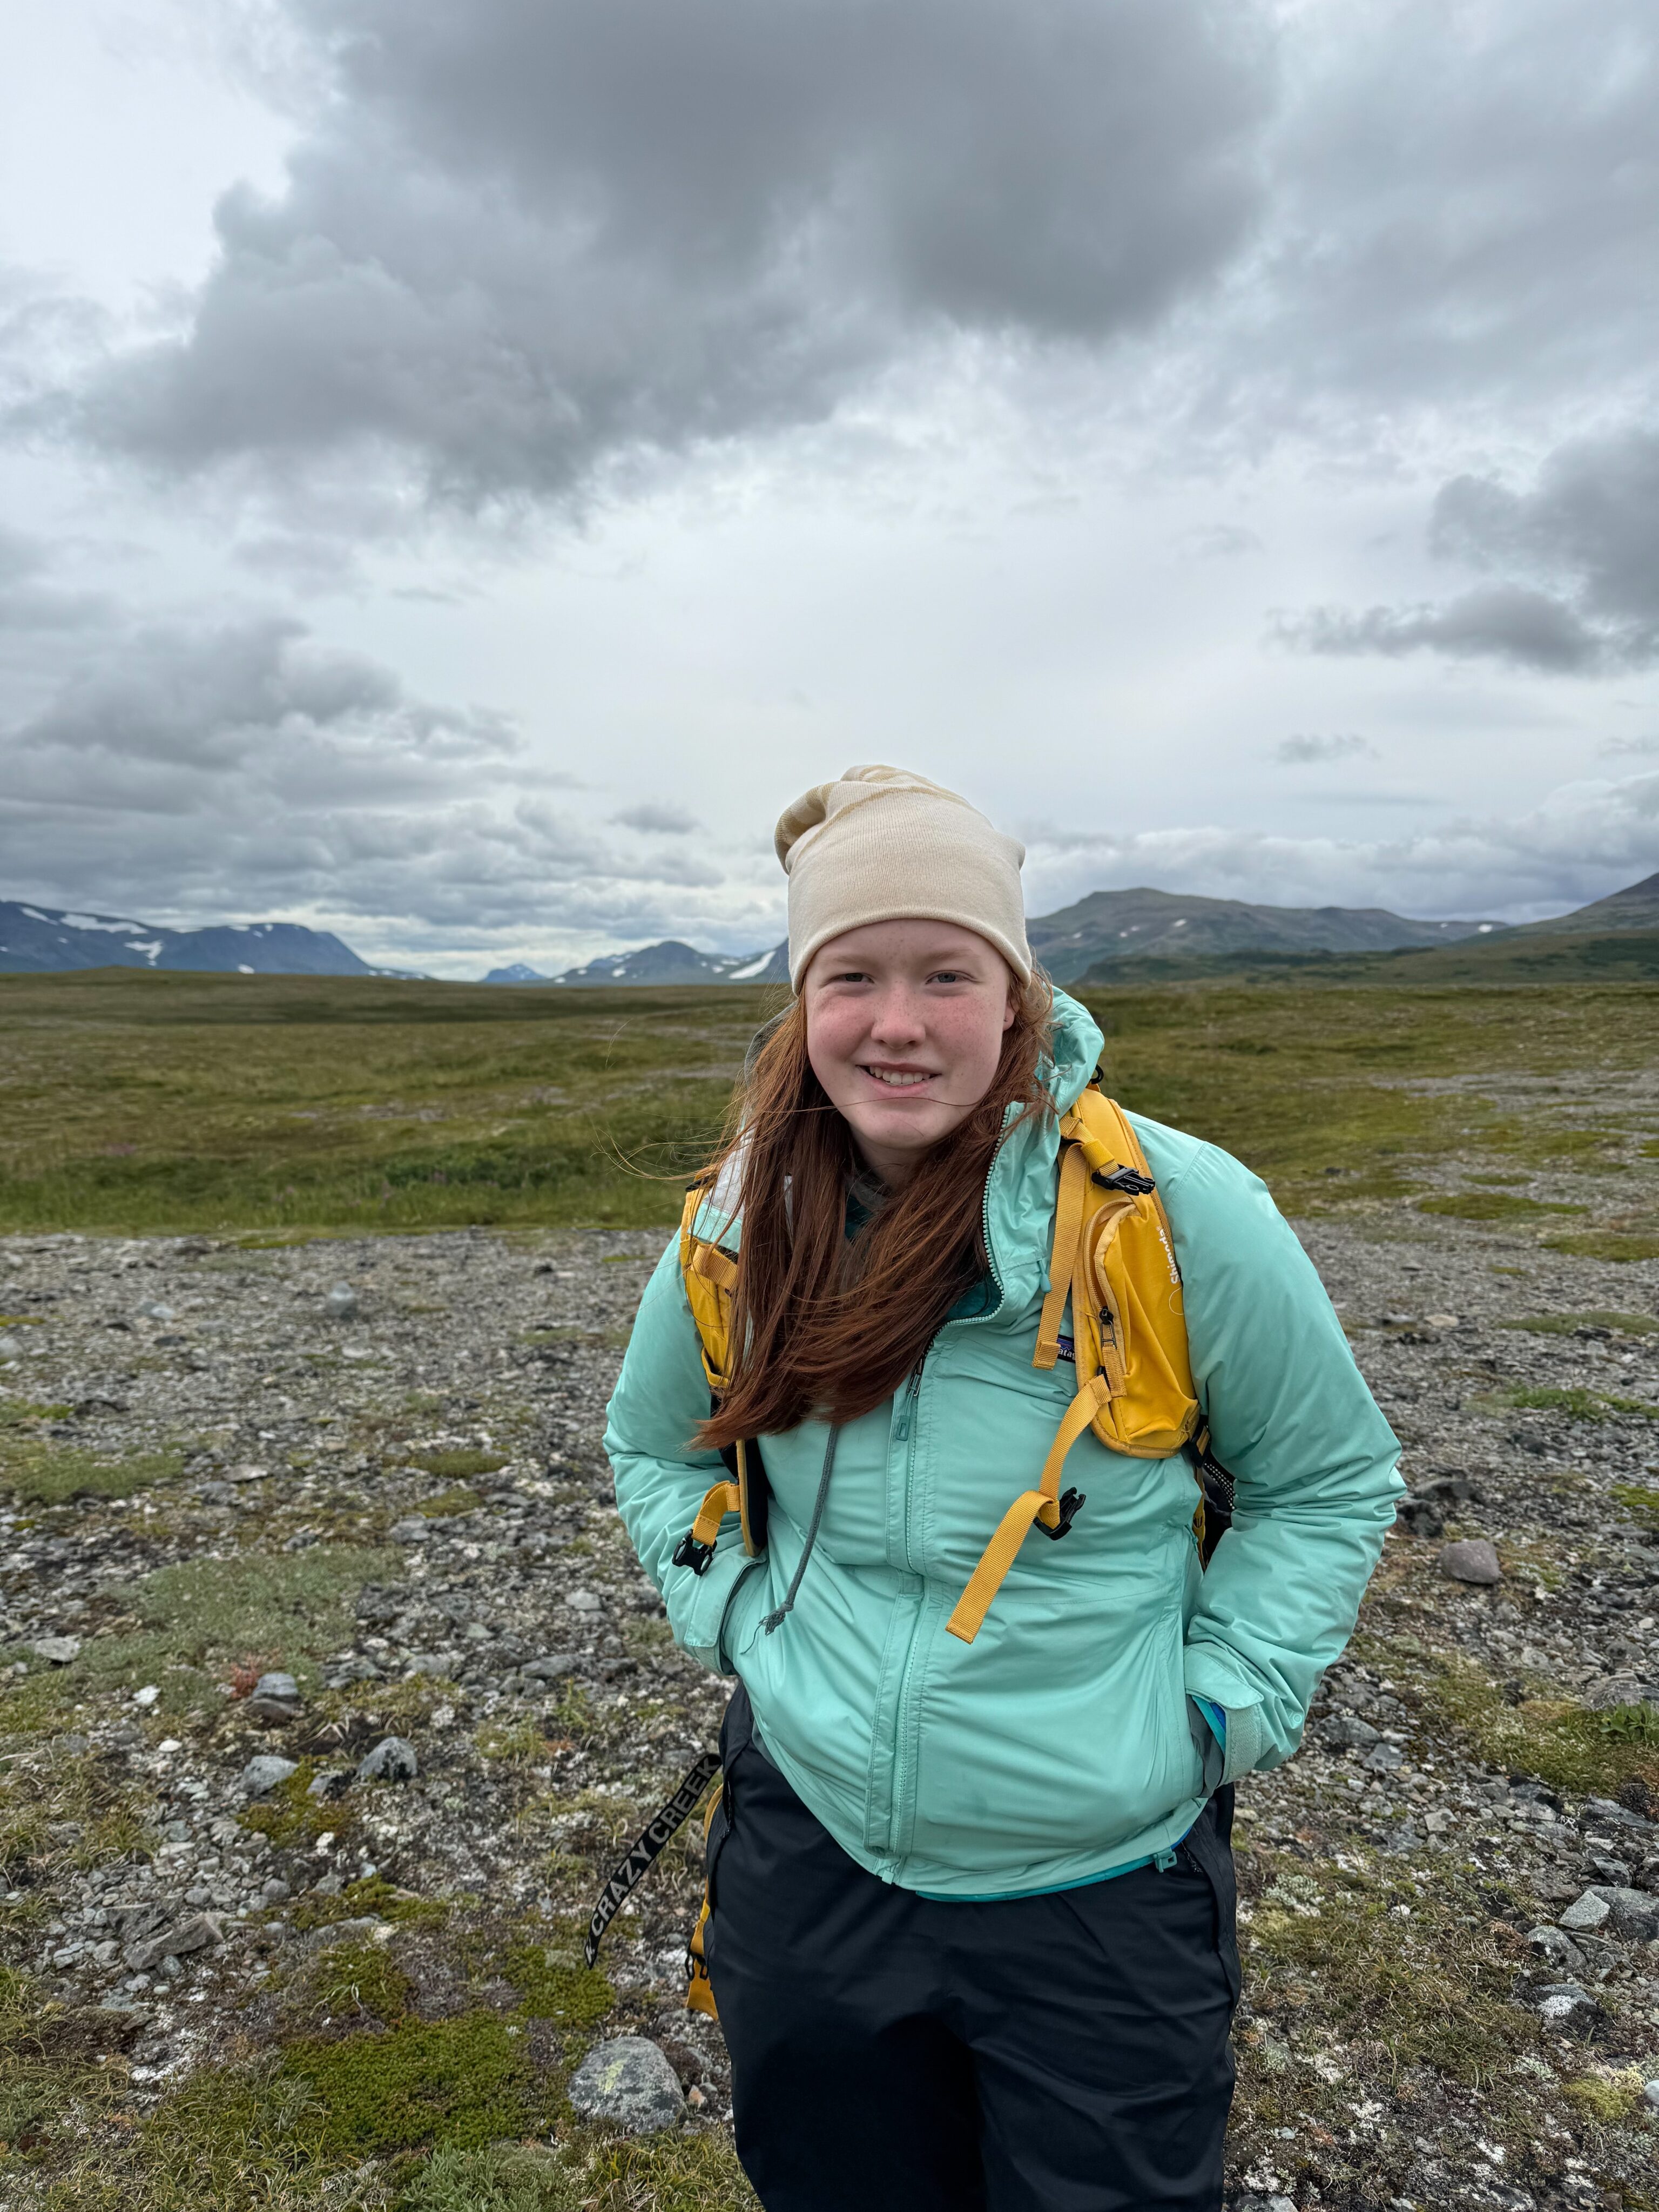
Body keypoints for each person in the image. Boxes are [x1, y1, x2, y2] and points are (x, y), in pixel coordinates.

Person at [605, 765, 1401, 2211]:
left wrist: (1216, 1707)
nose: (896, 1023)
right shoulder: (741, 1222)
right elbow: (654, 1443)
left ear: (1016, 995)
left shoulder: (1174, 1210)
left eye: (945, 975)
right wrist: (732, 1617)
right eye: (851, 975)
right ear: (803, 1001)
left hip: (1102, 1880)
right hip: (811, 1854)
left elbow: (1329, 1479)